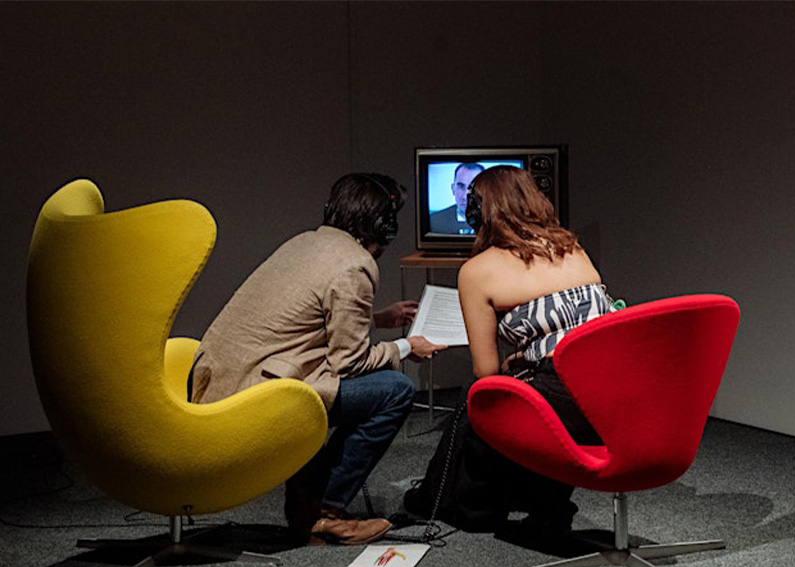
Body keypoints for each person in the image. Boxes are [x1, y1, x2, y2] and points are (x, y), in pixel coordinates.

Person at [191, 172, 446, 545]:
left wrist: (378, 319)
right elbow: (350, 365)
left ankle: (306, 503)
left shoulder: (305, 242)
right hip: (257, 396)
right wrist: (406, 347)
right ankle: (324, 513)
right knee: (395, 389)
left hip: (220, 383)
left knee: (338, 385)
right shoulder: (354, 266)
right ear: (383, 226)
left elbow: (302, 320)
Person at [405, 165, 612, 541]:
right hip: (612, 394)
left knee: (474, 403)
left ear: (477, 212)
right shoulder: (573, 248)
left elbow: (485, 372)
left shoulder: (477, 271)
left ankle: (458, 505)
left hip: (564, 397)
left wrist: (514, 364)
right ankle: (544, 504)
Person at [429, 162, 484, 234]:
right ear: (453, 189)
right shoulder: (434, 221)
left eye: (473, 188)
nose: (465, 197)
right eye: (461, 187)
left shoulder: (497, 221)